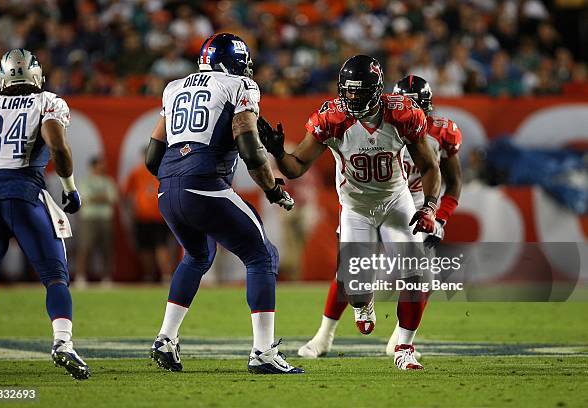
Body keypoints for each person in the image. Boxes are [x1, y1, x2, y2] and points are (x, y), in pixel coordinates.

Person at [258, 55, 441, 370]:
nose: (353, 97)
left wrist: (430, 205)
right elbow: (297, 165)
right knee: (353, 288)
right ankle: (363, 301)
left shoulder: (402, 114)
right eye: (348, 90)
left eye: (359, 90)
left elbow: (428, 165)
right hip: (356, 207)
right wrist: (278, 152)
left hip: (396, 200)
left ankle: (404, 348)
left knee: (413, 273)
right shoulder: (331, 118)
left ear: (375, 89)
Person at [145, 33, 303, 374]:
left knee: (198, 255)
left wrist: (180, 175)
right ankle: (263, 352)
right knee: (262, 255)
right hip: (202, 184)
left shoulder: (174, 87)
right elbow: (249, 148)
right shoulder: (239, 86)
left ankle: (165, 339)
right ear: (234, 62)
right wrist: (273, 188)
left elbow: (152, 156)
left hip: (167, 189)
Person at [296, 74, 463, 362]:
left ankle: (401, 342)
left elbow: (452, 182)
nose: (414, 114)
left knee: (422, 277)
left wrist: (439, 216)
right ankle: (324, 336)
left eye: (418, 108)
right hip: (368, 200)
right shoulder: (383, 121)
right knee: (350, 273)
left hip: (416, 203)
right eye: (408, 107)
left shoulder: (438, 132)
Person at [0, 49, 90, 379]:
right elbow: (57, 145)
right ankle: (63, 343)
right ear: (36, 75)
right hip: (26, 193)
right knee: (55, 275)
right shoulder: (46, 101)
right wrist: (69, 187)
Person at [123, 151, 173, 282]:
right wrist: (131, 212)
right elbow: (126, 194)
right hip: (145, 217)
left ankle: (164, 275)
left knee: (160, 247)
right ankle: (152, 276)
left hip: (160, 216)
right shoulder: (137, 172)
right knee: (147, 248)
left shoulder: (164, 170)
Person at [76, 156, 118, 285]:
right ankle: (81, 276)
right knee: (85, 247)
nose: (102, 167)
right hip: (88, 219)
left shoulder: (108, 181)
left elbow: (112, 198)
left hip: (105, 219)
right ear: (93, 166)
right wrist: (102, 197)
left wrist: (95, 198)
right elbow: (85, 198)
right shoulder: (84, 181)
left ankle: (106, 277)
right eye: (100, 165)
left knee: (106, 249)